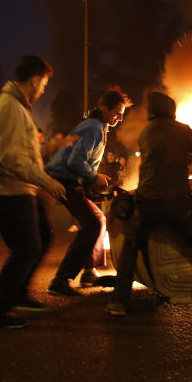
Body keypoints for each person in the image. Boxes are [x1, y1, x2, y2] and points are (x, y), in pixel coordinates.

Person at [103, 91, 192, 316]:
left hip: (147, 203)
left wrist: (185, 158)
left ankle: (119, 302)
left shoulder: (147, 133)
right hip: (178, 204)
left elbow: (163, 155)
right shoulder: (181, 130)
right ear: (171, 110)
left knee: (130, 248)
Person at [0, 55, 66, 329]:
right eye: (44, 85)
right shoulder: (10, 108)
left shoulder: (17, 106)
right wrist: (46, 181)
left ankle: (19, 294)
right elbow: (13, 159)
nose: (43, 91)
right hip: (7, 189)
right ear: (35, 80)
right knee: (26, 248)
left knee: (43, 237)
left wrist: (47, 149)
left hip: (20, 187)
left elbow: (22, 151)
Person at [45, 87, 131, 296]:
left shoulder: (98, 126)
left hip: (68, 178)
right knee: (93, 223)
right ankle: (61, 280)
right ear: (104, 108)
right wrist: (94, 177)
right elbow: (75, 161)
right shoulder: (93, 127)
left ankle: (89, 270)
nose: (120, 117)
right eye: (116, 112)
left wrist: (91, 180)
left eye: (122, 114)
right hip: (63, 179)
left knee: (98, 219)